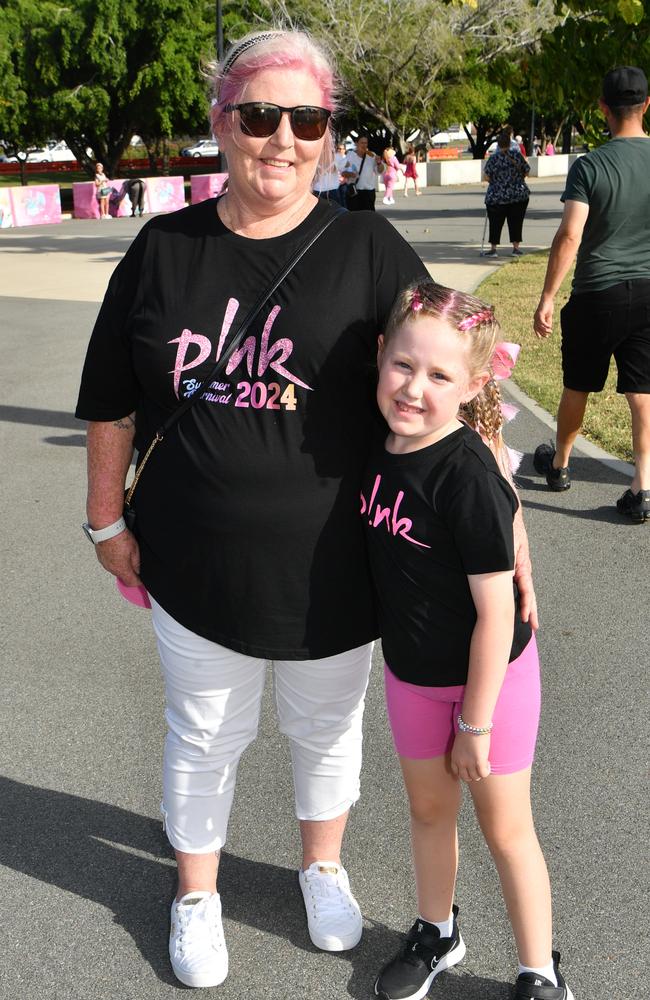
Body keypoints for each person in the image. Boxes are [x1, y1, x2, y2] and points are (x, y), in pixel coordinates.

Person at [76, 27, 537, 991]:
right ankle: (195, 891)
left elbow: (465, 377)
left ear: (329, 135)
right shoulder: (165, 248)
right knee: (203, 732)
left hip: (343, 570)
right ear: (220, 123)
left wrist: (508, 529)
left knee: (328, 730)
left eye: (307, 119)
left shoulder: (366, 244)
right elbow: (111, 397)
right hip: (193, 567)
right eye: (258, 115)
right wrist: (106, 521)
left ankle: (321, 865)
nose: (281, 139)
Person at [363, 280, 572, 1000]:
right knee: (428, 811)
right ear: (381, 354)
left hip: (493, 682)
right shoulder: (377, 443)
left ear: (475, 383)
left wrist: (475, 723)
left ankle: (539, 969)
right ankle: (436, 930)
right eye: (403, 365)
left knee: (506, 828)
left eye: (440, 376)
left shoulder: (467, 478)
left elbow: (496, 614)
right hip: (412, 675)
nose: (414, 388)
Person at [532, 66, 650, 522]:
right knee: (643, 392)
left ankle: (560, 465)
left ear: (602, 108)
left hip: (597, 293)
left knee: (578, 383)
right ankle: (642, 486)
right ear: (647, 105)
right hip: (647, 292)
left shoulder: (590, 165)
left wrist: (547, 296)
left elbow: (569, 235)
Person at [482, 131, 530, 257]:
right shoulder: (517, 156)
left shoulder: (493, 158)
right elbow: (527, 171)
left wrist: (496, 182)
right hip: (517, 195)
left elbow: (486, 176)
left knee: (495, 222)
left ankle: (493, 249)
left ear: (498, 144)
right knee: (516, 221)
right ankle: (515, 248)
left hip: (496, 196)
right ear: (509, 143)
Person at [341, 133, 384, 210]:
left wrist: (379, 162)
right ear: (356, 143)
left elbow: (380, 171)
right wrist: (351, 174)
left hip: (369, 191)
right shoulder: (350, 155)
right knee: (355, 216)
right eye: (362, 143)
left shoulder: (372, 155)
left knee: (369, 217)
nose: (364, 145)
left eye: (366, 143)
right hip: (355, 191)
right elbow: (343, 173)